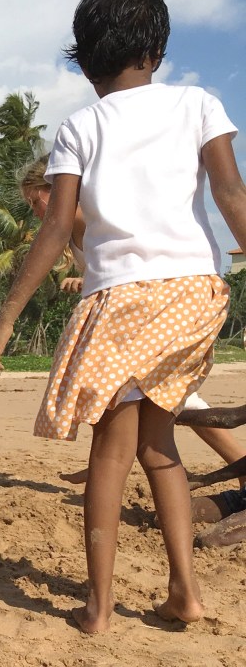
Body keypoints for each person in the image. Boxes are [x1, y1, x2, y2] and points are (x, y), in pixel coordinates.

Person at [0, 0, 246, 633]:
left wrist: (6, 316)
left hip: (122, 301)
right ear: (155, 52)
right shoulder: (198, 105)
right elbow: (232, 196)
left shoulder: (80, 127)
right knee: (158, 447)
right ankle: (185, 593)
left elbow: (54, 228)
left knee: (110, 451)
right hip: (193, 292)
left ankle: (97, 607)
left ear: (86, 61)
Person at [19, 156, 246, 486]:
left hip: (163, 312)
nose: (35, 211)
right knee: (120, 391)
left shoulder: (108, 223)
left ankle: (111, 460)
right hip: (127, 327)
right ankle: (108, 458)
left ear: (62, 191)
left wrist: (89, 283)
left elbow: (138, 269)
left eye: (35, 201)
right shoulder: (71, 236)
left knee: (161, 397)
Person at [176, 403, 246, 547]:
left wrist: (173, 417)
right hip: (243, 496)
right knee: (169, 516)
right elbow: (231, 417)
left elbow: (229, 419)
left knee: (208, 540)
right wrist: (203, 480)